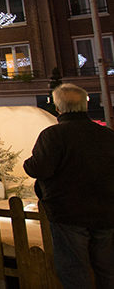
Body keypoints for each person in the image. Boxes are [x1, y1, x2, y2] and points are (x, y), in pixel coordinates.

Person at [23, 83, 114, 288]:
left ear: (58, 108)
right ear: (85, 105)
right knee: (107, 268)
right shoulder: (107, 135)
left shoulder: (53, 135)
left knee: (74, 269)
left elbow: (39, 168)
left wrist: (29, 163)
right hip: (106, 210)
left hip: (68, 212)